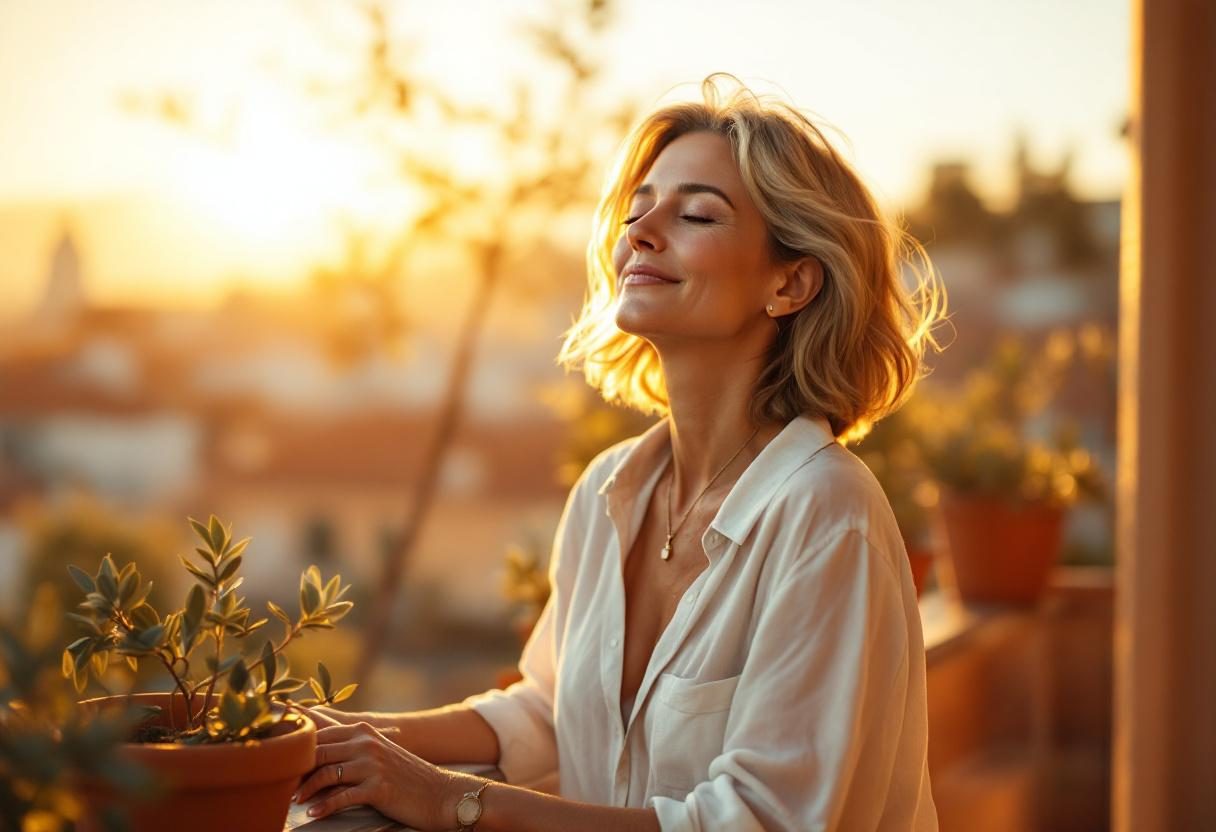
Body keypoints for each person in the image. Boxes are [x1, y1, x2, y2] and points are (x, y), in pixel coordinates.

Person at [295, 74, 947, 831]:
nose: (641, 231)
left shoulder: (826, 512)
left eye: (696, 213)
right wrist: (353, 737)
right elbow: (550, 709)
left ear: (791, 282)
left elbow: (763, 819)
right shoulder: (610, 491)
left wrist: (447, 800)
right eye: (638, 209)